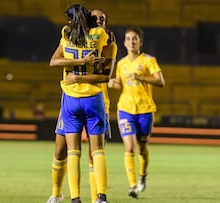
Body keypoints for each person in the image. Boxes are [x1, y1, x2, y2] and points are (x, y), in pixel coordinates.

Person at [47, 8, 117, 203]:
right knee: (62, 151)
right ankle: (58, 193)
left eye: (102, 19)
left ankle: (87, 197)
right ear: (88, 21)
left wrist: (76, 75)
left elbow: (105, 76)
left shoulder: (103, 40)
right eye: (95, 19)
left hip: (85, 97)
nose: (99, 22)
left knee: (81, 153)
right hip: (85, 99)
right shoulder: (102, 38)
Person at [108, 27, 165, 198]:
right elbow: (120, 83)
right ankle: (132, 185)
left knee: (141, 148)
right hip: (125, 109)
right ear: (124, 42)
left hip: (145, 110)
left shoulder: (149, 60)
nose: (132, 42)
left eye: (135, 39)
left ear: (140, 42)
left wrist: (140, 77)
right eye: (128, 39)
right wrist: (113, 84)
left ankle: (143, 176)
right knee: (130, 146)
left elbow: (161, 82)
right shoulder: (121, 64)